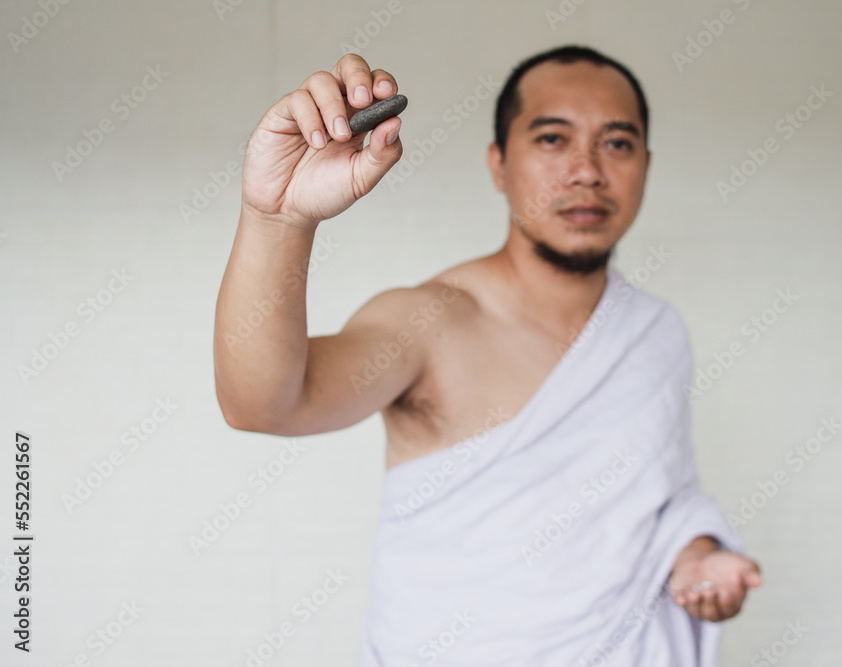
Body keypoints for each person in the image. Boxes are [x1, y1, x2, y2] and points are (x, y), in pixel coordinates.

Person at [214, 44, 762, 666]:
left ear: (646, 164)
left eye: (617, 143)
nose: (586, 170)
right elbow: (261, 405)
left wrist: (697, 557)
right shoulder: (430, 322)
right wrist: (278, 219)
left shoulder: (656, 332)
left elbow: (663, 507)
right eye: (553, 139)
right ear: (499, 164)